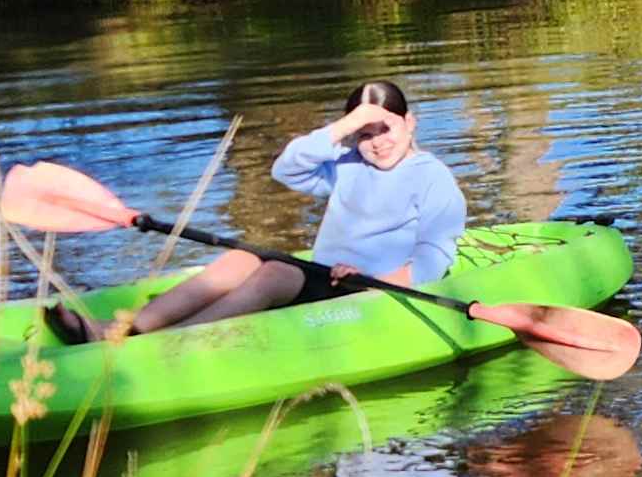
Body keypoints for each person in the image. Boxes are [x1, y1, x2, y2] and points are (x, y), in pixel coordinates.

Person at [49, 82, 468, 342]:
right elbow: (286, 169)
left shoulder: (432, 177)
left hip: (373, 292)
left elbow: (435, 257)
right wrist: (341, 129)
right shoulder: (349, 165)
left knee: (275, 271)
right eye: (364, 133)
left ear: (409, 123)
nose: (376, 143)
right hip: (325, 279)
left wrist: (377, 282)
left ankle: (168, 342)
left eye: (385, 129)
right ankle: (125, 329)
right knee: (241, 259)